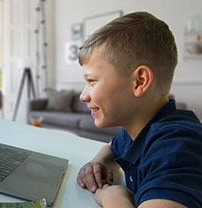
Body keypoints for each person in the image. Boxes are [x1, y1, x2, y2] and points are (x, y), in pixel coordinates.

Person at [76, 12, 202, 208]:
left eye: (92, 82)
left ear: (140, 81)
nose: (83, 96)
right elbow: (112, 146)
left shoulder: (177, 147)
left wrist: (113, 198)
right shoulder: (142, 130)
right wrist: (98, 162)